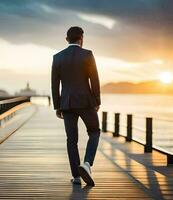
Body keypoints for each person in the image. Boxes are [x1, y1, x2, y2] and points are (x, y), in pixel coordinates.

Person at [51, 26, 101, 186]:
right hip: (86, 101)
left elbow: (54, 84)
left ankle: (77, 176)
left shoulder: (57, 57)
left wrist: (57, 106)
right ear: (81, 38)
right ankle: (87, 164)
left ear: (67, 39)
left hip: (67, 103)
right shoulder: (87, 55)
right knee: (94, 132)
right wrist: (97, 101)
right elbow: (95, 80)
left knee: (71, 140)